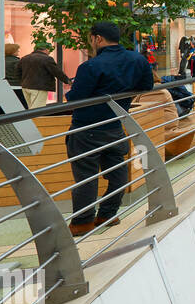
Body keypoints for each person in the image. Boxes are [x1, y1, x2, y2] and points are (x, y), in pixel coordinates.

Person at [63, 21, 154, 235]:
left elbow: (76, 98)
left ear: (97, 38)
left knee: (86, 177)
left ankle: (82, 223)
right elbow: (147, 85)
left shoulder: (91, 66)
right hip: (116, 125)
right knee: (117, 171)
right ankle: (108, 214)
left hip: (87, 129)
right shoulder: (137, 60)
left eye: (90, 39)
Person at [18, 40, 71, 109]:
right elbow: (57, 72)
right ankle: (35, 120)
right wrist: (67, 81)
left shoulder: (25, 58)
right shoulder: (47, 59)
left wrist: (22, 82)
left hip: (25, 87)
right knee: (37, 110)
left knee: (30, 109)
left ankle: (31, 120)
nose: (49, 52)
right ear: (46, 49)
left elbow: (18, 71)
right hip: (39, 87)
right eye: (49, 50)